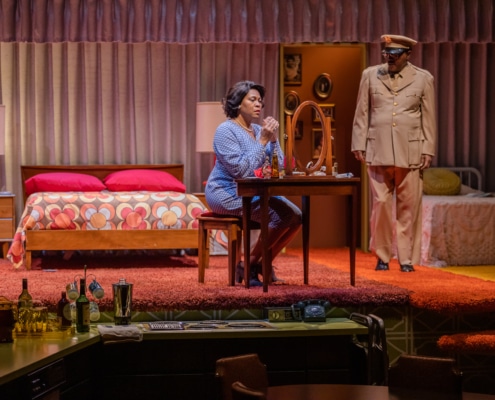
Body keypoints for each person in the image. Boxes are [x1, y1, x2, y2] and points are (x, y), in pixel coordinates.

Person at [351, 34, 437, 273]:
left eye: (395, 55)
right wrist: (359, 143)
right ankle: (382, 256)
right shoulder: (371, 74)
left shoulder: (423, 78)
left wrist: (428, 148)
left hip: (410, 150)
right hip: (378, 148)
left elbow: (428, 117)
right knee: (380, 205)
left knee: (408, 206)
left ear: (407, 55)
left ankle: (407, 259)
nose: (390, 58)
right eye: (387, 54)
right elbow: (362, 111)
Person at [205, 80, 302, 286]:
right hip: (227, 192)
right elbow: (241, 172)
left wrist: (274, 140)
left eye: (260, 100)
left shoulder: (259, 130)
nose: (259, 104)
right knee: (282, 215)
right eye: (253, 99)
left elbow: (279, 166)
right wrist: (264, 141)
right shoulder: (225, 131)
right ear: (238, 103)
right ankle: (250, 265)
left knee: (297, 216)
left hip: (254, 191)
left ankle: (257, 263)